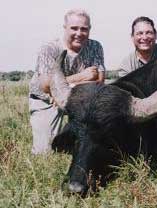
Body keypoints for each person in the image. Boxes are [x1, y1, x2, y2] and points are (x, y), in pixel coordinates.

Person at [29, 9, 105, 154]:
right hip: (48, 100)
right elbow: (46, 86)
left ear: (89, 29)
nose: (79, 33)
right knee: (44, 153)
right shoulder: (49, 49)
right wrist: (82, 76)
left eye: (84, 29)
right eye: (74, 28)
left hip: (80, 98)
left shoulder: (95, 46)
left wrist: (64, 85)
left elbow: (99, 81)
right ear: (65, 28)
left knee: (93, 145)